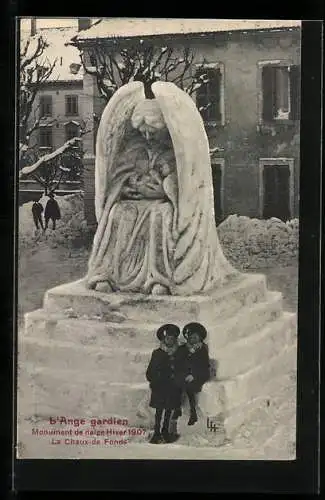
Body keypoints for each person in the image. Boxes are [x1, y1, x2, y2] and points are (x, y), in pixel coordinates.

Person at [85, 80, 237, 295]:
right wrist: (125, 188)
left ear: (165, 128)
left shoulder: (175, 150)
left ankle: (160, 278)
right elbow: (119, 176)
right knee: (116, 214)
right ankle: (108, 274)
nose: (147, 137)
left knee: (162, 215)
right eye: (143, 132)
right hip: (135, 201)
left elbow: (185, 182)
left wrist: (163, 189)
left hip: (164, 204)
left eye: (152, 132)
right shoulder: (135, 148)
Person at [145, 324, 183, 444]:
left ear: (175, 340)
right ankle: (156, 432)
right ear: (163, 339)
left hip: (173, 387)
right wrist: (153, 380)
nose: (170, 341)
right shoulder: (157, 352)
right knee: (159, 410)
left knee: (169, 409)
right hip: (159, 386)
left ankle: (165, 431)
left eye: (172, 339)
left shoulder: (179, 353)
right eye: (167, 339)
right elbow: (150, 369)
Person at [179, 323, 211, 426]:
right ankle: (176, 409)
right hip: (185, 374)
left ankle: (193, 413)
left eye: (196, 337)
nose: (193, 339)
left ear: (200, 338)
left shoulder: (202, 349)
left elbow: (204, 365)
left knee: (189, 386)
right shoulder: (183, 348)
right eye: (191, 337)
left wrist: (193, 375)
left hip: (199, 375)